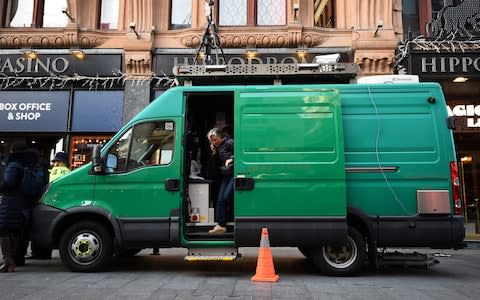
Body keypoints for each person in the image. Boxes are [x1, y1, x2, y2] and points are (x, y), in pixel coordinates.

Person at [0, 143, 40, 272]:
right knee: (17, 232)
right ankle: (17, 259)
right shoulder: (32, 164)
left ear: (13, 151)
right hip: (25, 203)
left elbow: (8, 183)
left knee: (4, 231)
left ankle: (8, 261)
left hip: (11, 203)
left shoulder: (14, 165)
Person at [207, 128, 234, 234]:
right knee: (220, 200)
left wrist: (232, 158)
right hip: (225, 175)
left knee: (227, 196)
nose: (214, 142)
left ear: (220, 137)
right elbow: (215, 165)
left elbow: (242, 152)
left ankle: (232, 217)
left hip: (234, 174)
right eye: (211, 141)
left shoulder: (230, 142)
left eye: (215, 139)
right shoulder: (217, 147)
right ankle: (221, 225)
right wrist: (214, 154)